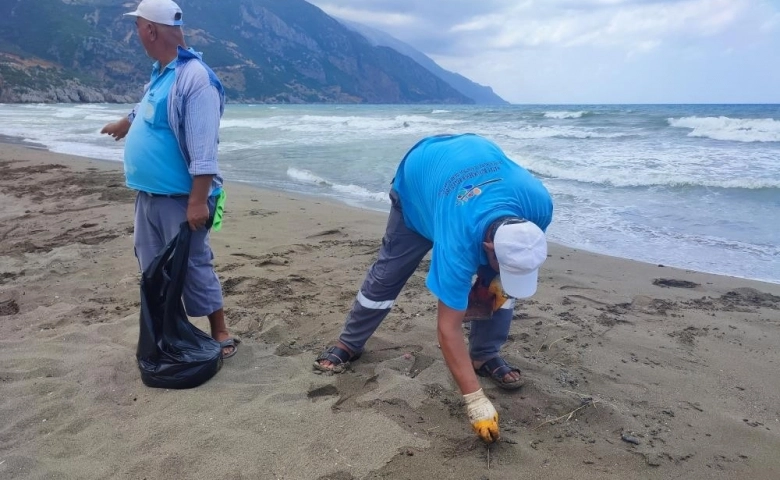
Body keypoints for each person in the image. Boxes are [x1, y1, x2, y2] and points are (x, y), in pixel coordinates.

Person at [314, 133, 553, 443]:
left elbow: (512, 263)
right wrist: (475, 400)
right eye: (496, 260)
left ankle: (484, 354)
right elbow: (447, 328)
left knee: (496, 285)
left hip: (468, 169)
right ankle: (350, 342)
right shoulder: (457, 242)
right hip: (418, 185)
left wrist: (495, 277)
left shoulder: (539, 207)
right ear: (487, 246)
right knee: (389, 274)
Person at [100, 0, 238, 359]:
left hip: (181, 198)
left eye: (138, 27)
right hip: (149, 196)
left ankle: (220, 331)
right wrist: (125, 124)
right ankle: (168, 329)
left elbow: (205, 149)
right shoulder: (163, 71)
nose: (136, 34)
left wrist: (197, 202)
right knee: (154, 267)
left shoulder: (197, 79)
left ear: (150, 30)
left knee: (193, 265)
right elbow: (147, 104)